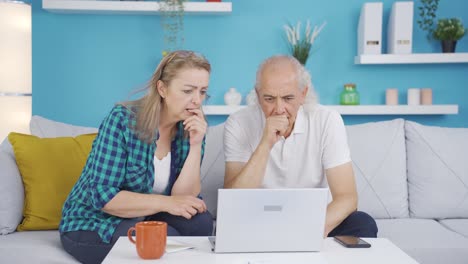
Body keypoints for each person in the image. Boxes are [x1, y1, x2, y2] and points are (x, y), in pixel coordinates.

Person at [59, 50, 214, 264]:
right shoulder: (122, 120)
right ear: (162, 88)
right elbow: (104, 197)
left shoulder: (192, 126)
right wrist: (166, 203)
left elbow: (184, 197)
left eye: (203, 91)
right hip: (95, 222)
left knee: (201, 223)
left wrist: (196, 145)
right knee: (163, 239)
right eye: (188, 90)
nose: (197, 100)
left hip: (143, 216)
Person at [223, 55, 377, 238]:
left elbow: (347, 198)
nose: (279, 109)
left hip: (315, 220)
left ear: (303, 94)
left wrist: (307, 229)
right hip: (258, 219)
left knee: (362, 223)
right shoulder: (238, 123)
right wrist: (265, 143)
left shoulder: (327, 120)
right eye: (269, 99)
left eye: (288, 98)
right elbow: (234, 201)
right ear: (257, 95)